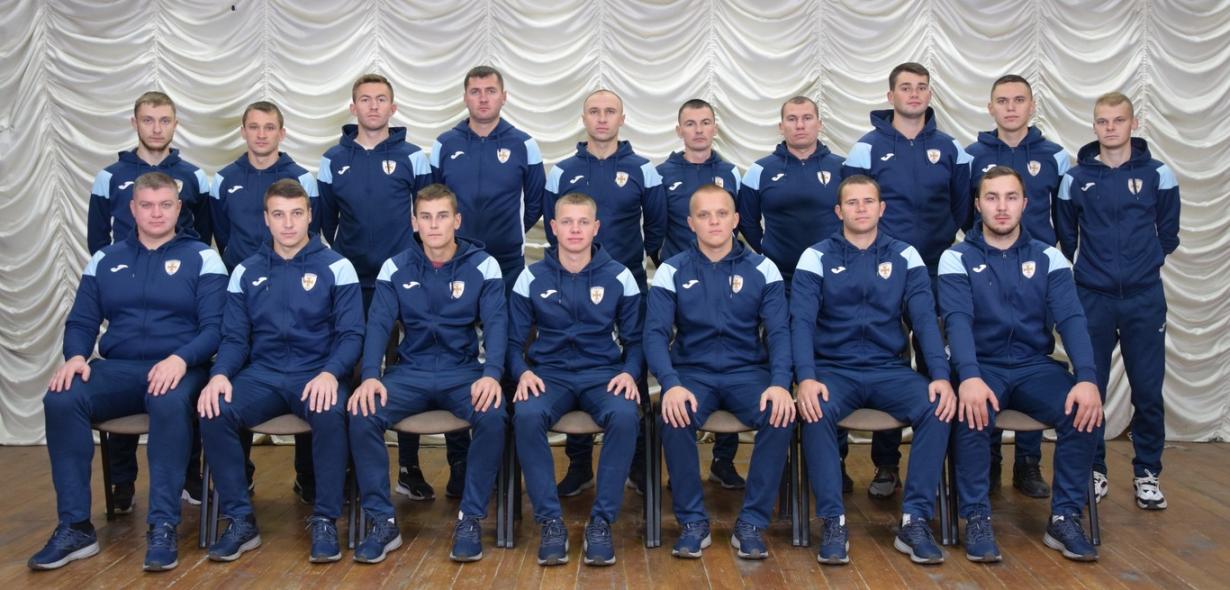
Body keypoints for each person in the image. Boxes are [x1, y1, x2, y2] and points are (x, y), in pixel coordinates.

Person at [31, 172, 225, 572]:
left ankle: (163, 525)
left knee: (167, 401)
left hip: (179, 368)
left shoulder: (202, 257)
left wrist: (181, 359)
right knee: (61, 398)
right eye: (147, 205)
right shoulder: (105, 259)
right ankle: (75, 527)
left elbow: (215, 328)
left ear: (179, 208)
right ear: (132, 209)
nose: (156, 213)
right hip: (118, 368)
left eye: (165, 205)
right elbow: (82, 320)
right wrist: (75, 356)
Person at [792, 175, 956, 566]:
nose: (861, 208)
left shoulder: (906, 256)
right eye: (852, 202)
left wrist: (940, 377)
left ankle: (915, 521)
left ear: (882, 208)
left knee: (938, 407)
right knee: (815, 409)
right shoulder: (815, 256)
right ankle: (833, 521)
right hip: (834, 371)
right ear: (839, 211)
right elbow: (801, 323)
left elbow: (925, 321)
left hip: (889, 370)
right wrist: (806, 378)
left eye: (868, 201)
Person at [942, 166, 1103, 562]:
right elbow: (957, 321)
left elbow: (1071, 319)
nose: (1002, 207)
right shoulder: (956, 257)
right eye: (992, 197)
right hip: (982, 365)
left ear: (1025, 204)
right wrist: (969, 376)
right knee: (972, 411)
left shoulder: (1049, 257)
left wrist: (1087, 378)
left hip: (1034, 366)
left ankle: (1064, 517)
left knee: (1083, 410)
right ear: (977, 205)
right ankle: (976, 517)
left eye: (1010, 197)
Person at [197, 179, 363, 563]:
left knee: (330, 411)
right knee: (215, 408)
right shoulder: (245, 271)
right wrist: (220, 374)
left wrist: (331, 373)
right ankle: (240, 520)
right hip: (263, 374)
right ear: (266, 219)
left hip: (316, 372)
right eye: (279, 214)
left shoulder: (338, 267)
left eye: (296, 214)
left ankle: (325, 519)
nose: (288, 223)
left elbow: (352, 335)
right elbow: (234, 338)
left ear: (310, 216)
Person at [348, 184, 508, 564]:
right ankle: (382, 522)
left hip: (463, 372)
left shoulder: (484, 265)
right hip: (411, 372)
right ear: (414, 223)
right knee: (361, 412)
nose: (434, 225)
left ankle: (470, 519)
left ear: (457, 221)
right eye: (426, 217)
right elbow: (378, 324)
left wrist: (491, 374)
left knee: (494, 413)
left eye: (442, 216)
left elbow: (497, 324)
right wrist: (370, 375)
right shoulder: (395, 267)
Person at [841, 62, 972, 498]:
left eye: (921, 87)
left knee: (940, 361)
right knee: (889, 359)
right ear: (890, 95)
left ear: (929, 95)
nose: (914, 94)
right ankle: (886, 464)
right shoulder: (866, 148)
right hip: (882, 267)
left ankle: (945, 467)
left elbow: (962, 209)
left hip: (935, 269)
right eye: (905, 87)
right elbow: (854, 208)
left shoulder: (952, 149)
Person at [646, 184, 794, 560]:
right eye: (704, 215)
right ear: (691, 223)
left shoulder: (763, 268)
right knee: (673, 414)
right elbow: (655, 334)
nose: (714, 222)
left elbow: (779, 332)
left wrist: (780, 383)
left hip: (748, 374)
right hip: (691, 374)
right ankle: (693, 522)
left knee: (780, 414)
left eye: (722, 214)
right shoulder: (671, 269)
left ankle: (752, 523)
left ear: (736, 219)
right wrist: (670, 384)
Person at [420, 65, 545, 501]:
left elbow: (535, 204)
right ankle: (460, 463)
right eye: (475, 91)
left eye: (491, 90)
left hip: (506, 265)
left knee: (504, 354)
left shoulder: (524, 144)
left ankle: (502, 461)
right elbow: (432, 203)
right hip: (452, 266)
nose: (483, 98)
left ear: (503, 96)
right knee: (454, 354)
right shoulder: (445, 144)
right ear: (465, 97)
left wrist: (509, 236)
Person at [316, 73, 442, 500]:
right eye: (365, 99)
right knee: (355, 368)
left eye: (381, 99)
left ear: (393, 107)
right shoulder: (333, 159)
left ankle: (408, 467)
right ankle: (354, 468)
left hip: (403, 280)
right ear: (353, 108)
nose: (373, 106)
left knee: (403, 368)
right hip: (353, 284)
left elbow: (426, 215)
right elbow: (326, 221)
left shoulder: (413, 157)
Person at [86, 91, 213, 510]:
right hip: (128, 296)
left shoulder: (194, 176)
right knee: (122, 376)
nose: (156, 128)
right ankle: (122, 483)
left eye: (164, 120)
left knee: (181, 387)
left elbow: (205, 233)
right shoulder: (110, 177)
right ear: (134, 123)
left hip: (177, 300)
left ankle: (189, 477)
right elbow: (97, 241)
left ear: (175, 124)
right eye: (148, 120)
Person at [1056, 92, 1181, 510]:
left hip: (1144, 299)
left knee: (1147, 389)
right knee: (1088, 386)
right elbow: (1067, 234)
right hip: (1092, 298)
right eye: (1102, 121)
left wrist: (1145, 265)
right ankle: (1094, 470)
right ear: (1094, 126)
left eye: (1118, 120)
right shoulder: (1076, 178)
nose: (1110, 128)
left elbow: (1169, 232)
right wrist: (1093, 270)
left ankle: (1147, 474)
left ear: (1133, 123)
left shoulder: (1159, 174)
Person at [508, 193, 643, 567]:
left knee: (626, 415)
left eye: (583, 222)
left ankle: (601, 523)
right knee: (526, 415)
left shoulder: (620, 276)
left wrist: (629, 373)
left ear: (596, 227)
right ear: (553, 227)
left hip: (603, 375)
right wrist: (522, 373)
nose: (575, 230)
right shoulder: (530, 277)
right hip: (549, 376)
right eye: (567, 222)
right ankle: (550, 523)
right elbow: (512, 343)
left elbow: (636, 341)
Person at [544, 89, 665, 497]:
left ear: (622, 118)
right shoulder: (562, 171)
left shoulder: (643, 169)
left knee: (632, 370)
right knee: (575, 362)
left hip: (627, 285)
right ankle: (579, 466)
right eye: (594, 111)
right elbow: (552, 227)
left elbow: (657, 227)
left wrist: (628, 268)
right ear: (583, 118)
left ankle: (636, 465)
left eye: (609, 111)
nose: (601, 118)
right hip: (569, 284)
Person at [966, 74, 1075, 498]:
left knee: (1034, 356)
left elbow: (1064, 219)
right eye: (1002, 100)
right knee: (988, 354)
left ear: (1032, 106)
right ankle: (989, 457)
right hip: (987, 268)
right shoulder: (971, 155)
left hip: (1036, 275)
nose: (1010, 108)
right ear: (990, 107)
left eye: (1018, 100)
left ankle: (1028, 463)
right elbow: (964, 212)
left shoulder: (1055, 156)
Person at [210, 100, 320, 502]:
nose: (261, 134)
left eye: (269, 127)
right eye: (253, 127)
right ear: (243, 132)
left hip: (298, 292)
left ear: (281, 133)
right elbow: (219, 234)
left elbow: (311, 234)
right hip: (246, 295)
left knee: (311, 376)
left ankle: (308, 476)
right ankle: (240, 477)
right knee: (239, 379)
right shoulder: (223, 180)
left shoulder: (302, 178)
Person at [656, 98, 745, 489]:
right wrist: (673, 266)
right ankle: (681, 468)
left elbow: (743, 225)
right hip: (680, 281)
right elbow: (654, 228)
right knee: (684, 363)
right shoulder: (661, 174)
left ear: (714, 127)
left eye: (705, 122)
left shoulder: (730, 173)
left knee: (732, 358)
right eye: (690, 123)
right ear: (679, 130)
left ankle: (723, 461)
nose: (698, 130)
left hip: (726, 278)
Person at [738, 95, 845, 287]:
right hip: (779, 278)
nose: (800, 125)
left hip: (834, 275)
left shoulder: (843, 168)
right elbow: (746, 220)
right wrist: (765, 250)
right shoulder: (759, 170)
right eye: (792, 119)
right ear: (781, 126)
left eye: (807, 118)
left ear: (819, 124)